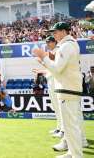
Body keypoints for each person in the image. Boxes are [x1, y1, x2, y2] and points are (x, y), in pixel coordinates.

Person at [33, 22, 88, 158]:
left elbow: (57, 69)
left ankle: (76, 155)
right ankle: (72, 152)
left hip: (68, 90)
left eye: (56, 32)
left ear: (64, 31)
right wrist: (48, 58)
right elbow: (60, 66)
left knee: (70, 125)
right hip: (68, 88)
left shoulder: (66, 46)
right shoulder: (68, 45)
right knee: (69, 125)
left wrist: (43, 56)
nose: (54, 34)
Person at [33, 36, 64, 138]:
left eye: (49, 42)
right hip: (51, 79)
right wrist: (40, 71)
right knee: (56, 106)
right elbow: (50, 69)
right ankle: (59, 127)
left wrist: (41, 61)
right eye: (46, 42)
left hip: (56, 81)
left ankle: (63, 130)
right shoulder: (53, 51)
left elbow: (54, 67)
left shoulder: (57, 51)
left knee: (59, 106)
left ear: (55, 42)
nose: (48, 44)